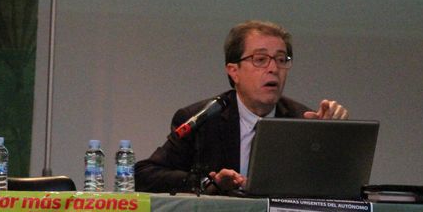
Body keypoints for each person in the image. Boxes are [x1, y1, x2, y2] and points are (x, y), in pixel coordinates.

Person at [135, 20, 348, 194]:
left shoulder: (303, 121)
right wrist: (208, 183)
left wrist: (330, 138)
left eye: (281, 59)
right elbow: (144, 175)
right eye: (260, 59)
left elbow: (337, 190)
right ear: (233, 71)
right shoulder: (203, 118)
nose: (274, 68)